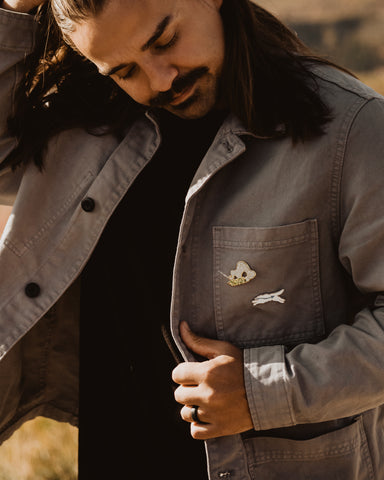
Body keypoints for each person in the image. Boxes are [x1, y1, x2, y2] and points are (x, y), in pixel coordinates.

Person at [0, 0, 384, 478]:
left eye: (164, 40)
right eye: (123, 71)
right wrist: (16, 9)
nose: (160, 81)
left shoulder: (352, 128)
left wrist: (265, 391)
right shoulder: (79, 124)